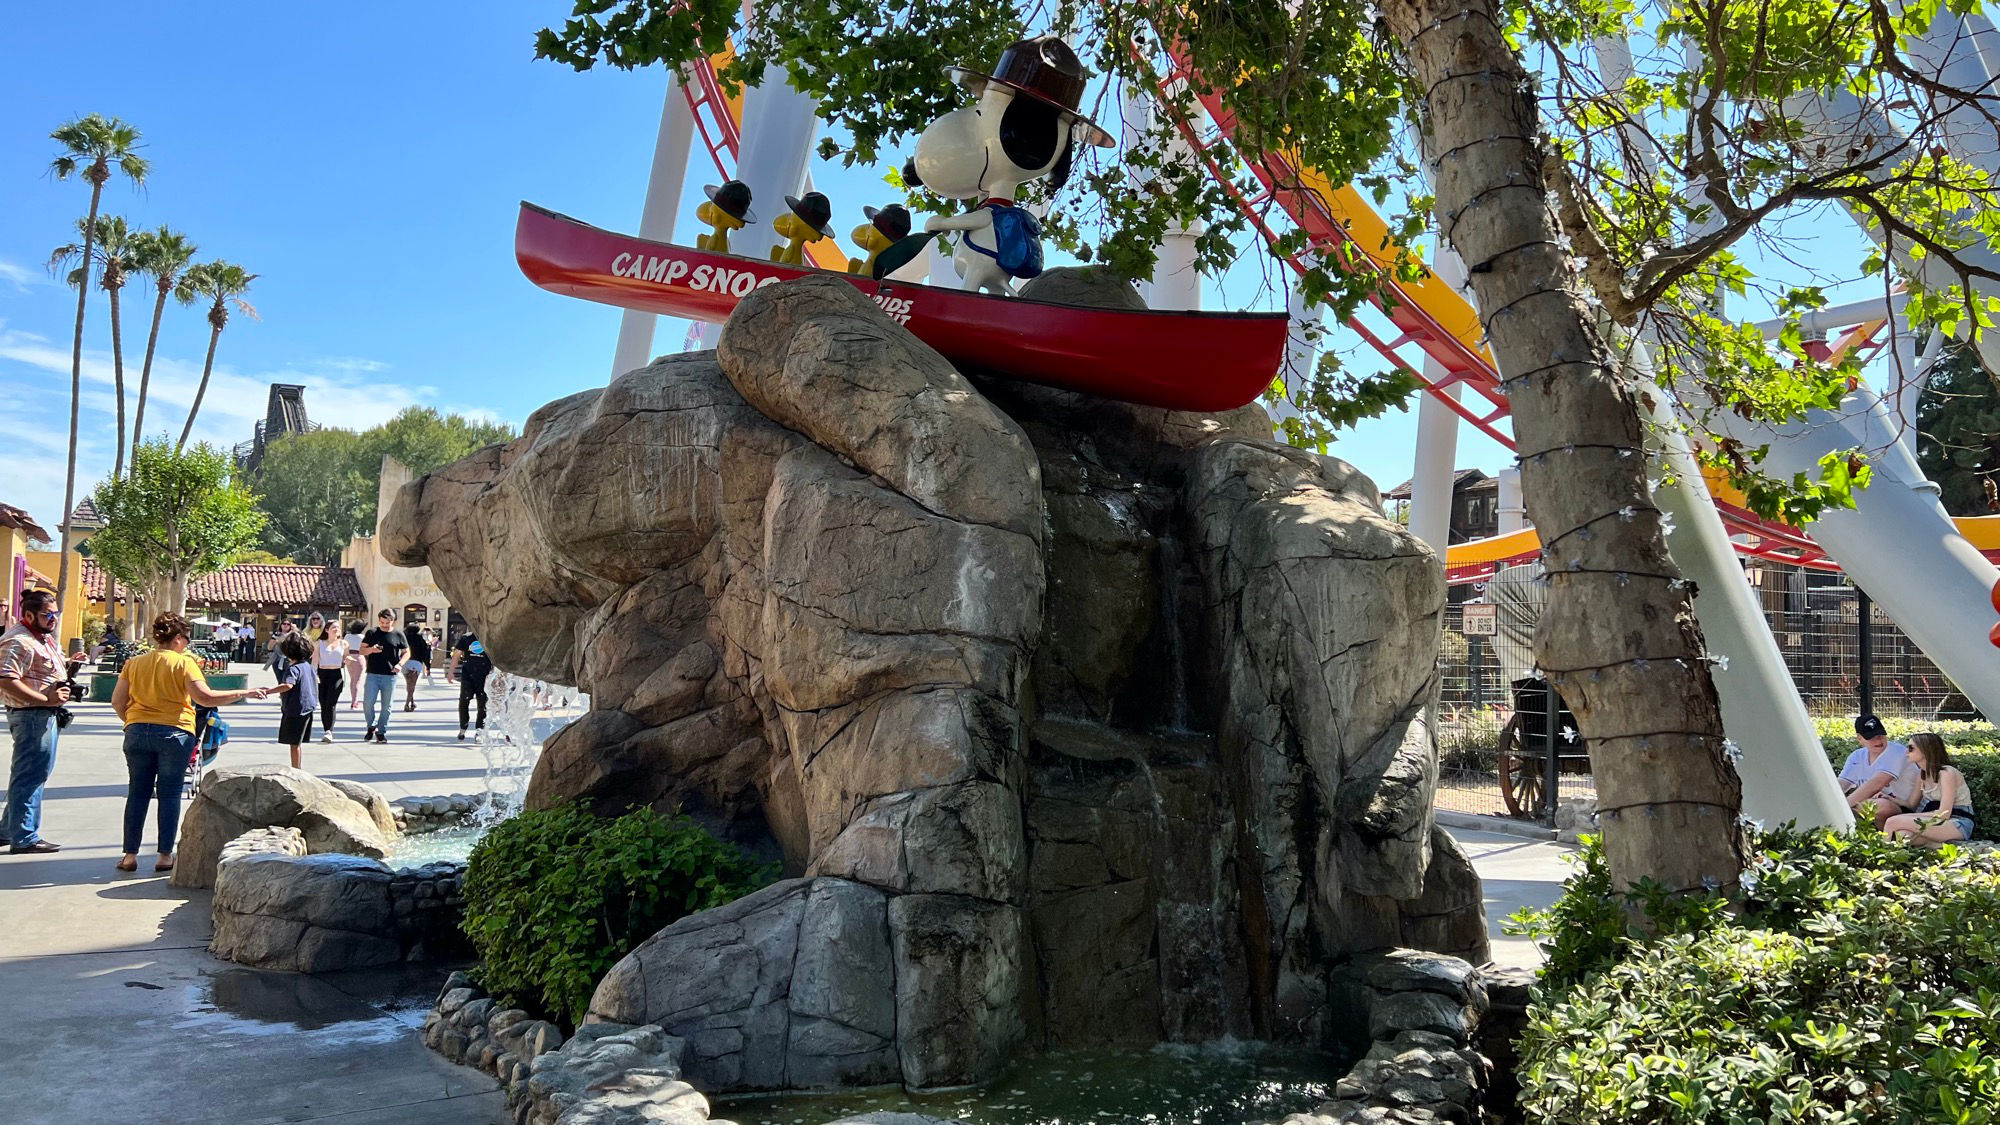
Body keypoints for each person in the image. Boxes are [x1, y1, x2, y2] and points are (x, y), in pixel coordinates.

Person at [110, 612, 272, 873]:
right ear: (177, 639)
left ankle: (130, 855)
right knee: (170, 793)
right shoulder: (185, 664)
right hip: (175, 733)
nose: (187, 644)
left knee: (138, 792)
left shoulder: (134, 663)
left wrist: (132, 722)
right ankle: (164, 855)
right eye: (186, 638)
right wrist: (244, 693)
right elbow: (205, 698)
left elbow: (118, 701)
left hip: (137, 732)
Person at [0, 590, 70, 854]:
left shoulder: (41, 638)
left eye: (55, 614)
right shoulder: (18, 641)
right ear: (29, 615)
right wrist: (43, 698)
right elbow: (6, 679)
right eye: (47, 615)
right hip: (32, 715)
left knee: (33, 774)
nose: (52, 619)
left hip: (44, 714)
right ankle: (25, 836)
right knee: (30, 775)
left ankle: (9, 830)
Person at [1884, 732, 1977, 845]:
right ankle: (1936, 845)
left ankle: (1880, 859)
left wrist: (1904, 818)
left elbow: (1944, 814)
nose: (1906, 752)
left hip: (1957, 821)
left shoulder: (1946, 773)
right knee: (1903, 835)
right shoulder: (1921, 774)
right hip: (1935, 821)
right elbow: (1911, 804)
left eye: (1911, 748)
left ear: (1925, 750)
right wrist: (1890, 798)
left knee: (1892, 821)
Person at [1838, 714, 1914, 826]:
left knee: (1881, 806)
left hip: (1904, 807)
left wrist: (1842, 808)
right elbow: (1842, 784)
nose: (1878, 740)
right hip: (1870, 803)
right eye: (1871, 737)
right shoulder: (1856, 756)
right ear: (1859, 739)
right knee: (1873, 805)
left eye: (1881, 735)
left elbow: (1876, 784)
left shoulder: (1897, 751)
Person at [359, 609, 407, 744]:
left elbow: (407, 652)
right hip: (373, 674)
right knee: (368, 703)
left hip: (390, 675)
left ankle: (381, 732)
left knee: (387, 706)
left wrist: (400, 664)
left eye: (387, 622)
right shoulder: (372, 633)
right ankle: (371, 725)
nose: (384, 625)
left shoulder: (398, 634)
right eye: (382, 622)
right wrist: (371, 650)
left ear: (393, 621)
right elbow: (361, 650)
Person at [275, 632, 316, 769]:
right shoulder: (308, 667)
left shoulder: (293, 669)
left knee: (294, 744)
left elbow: (288, 685)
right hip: (307, 708)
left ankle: (296, 770)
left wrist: (269, 691)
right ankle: (297, 767)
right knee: (297, 743)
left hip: (295, 709)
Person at [448, 630, 493, 740]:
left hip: (484, 676)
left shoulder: (490, 638)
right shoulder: (466, 637)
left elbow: (496, 658)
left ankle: (479, 731)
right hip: (468, 675)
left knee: (483, 704)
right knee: (464, 701)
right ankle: (463, 727)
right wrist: (451, 671)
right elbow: (457, 654)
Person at [312, 621, 348, 743]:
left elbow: (346, 658)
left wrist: (349, 660)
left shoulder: (344, 644)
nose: (336, 629)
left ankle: (329, 731)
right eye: (333, 627)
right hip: (322, 674)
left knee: (331, 703)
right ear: (327, 630)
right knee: (323, 704)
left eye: (338, 627)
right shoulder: (319, 643)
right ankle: (326, 729)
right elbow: (315, 661)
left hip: (336, 674)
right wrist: (313, 675)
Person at [401, 622, 433, 711]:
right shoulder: (420, 639)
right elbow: (425, 654)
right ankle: (407, 704)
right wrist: (428, 666)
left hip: (405, 662)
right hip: (416, 663)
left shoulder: (404, 638)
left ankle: (412, 702)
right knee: (413, 684)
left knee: (409, 684)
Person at [343, 618, 366, 709]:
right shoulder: (362, 637)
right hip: (358, 656)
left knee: (352, 680)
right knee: (357, 681)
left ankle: (354, 699)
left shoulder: (347, 636)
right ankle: (355, 701)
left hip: (349, 657)